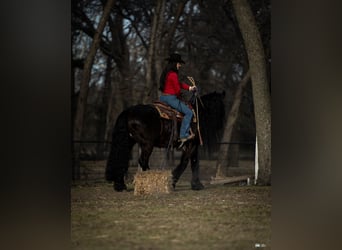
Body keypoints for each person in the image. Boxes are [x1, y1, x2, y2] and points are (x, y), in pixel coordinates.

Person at [159, 53, 197, 148]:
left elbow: (178, 84)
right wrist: (183, 96)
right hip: (171, 99)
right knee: (189, 113)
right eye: (179, 63)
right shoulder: (173, 74)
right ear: (175, 63)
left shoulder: (167, 73)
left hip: (163, 97)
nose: (180, 65)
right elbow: (177, 90)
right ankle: (183, 135)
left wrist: (189, 88)